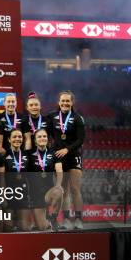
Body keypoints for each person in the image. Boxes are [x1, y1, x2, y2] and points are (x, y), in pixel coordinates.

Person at [47, 90, 85, 230]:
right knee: (63, 190)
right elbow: (40, 124)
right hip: (59, 158)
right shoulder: (52, 116)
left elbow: (81, 139)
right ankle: (67, 219)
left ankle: (79, 219)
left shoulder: (77, 118)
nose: (65, 103)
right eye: (62, 101)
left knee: (75, 188)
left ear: (72, 102)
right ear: (59, 102)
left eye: (67, 101)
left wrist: (67, 149)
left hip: (73, 155)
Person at [28, 128, 64, 231]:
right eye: (39, 137)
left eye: (44, 136)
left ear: (47, 139)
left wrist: (58, 184)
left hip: (48, 193)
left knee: (59, 191)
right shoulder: (29, 155)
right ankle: (45, 219)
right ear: (35, 140)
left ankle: (53, 218)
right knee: (42, 227)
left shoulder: (54, 154)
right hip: (34, 195)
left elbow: (59, 170)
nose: (42, 138)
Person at [3, 129, 29, 232]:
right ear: (9, 139)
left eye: (20, 137)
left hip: (23, 193)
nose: (17, 139)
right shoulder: (3, 155)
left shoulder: (27, 155)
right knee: (8, 228)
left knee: (25, 228)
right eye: (14, 137)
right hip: (9, 193)